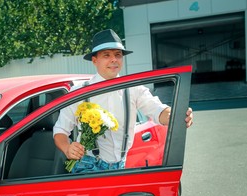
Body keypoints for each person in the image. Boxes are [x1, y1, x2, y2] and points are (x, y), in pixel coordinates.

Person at [53, 29, 193, 173]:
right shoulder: (79, 92)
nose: (114, 59)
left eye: (118, 55)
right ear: (95, 60)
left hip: (120, 167)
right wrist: (67, 148)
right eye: (106, 55)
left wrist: (176, 114)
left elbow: (158, 110)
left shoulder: (134, 88)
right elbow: (60, 130)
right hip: (87, 165)